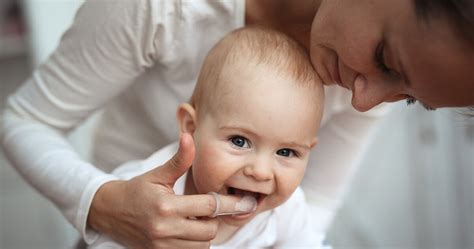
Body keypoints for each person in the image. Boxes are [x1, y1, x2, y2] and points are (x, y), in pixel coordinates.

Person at [0, 0, 472, 248]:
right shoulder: (165, 7)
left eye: (409, 99)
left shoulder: (286, 209)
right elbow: (23, 119)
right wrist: (102, 205)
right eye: (386, 58)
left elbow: (313, 213)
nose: (365, 103)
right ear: (189, 123)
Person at [89, 26, 326, 249]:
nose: (261, 172)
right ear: (191, 127)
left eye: (286, 152)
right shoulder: (140, 195)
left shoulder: (287, 211)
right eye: (239, 141)